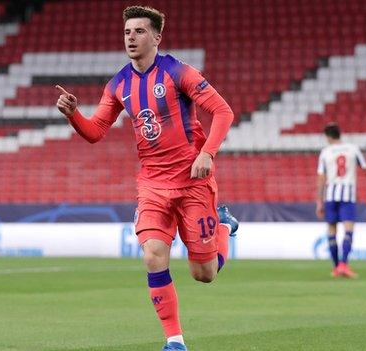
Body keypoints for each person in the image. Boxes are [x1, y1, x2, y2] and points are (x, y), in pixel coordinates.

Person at [55, 6, 237, 351]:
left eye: (139, 31)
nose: (131, 38)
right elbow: (95, 132)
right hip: (152, 185)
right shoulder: (119, 83)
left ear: (156, 37)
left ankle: (224, 226)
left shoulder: (177, 72)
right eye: (127, 32)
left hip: (192, 181)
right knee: (153, 255)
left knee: (205, 274)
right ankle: (174, 340)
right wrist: (74, 115)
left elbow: (223, 111)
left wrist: (207, 153)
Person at [316, 123, 366, 278]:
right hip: (348, 195)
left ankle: (336, 267)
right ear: (340, 134)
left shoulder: (325, 152)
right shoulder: (353, 149)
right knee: (348, 230)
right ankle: (343, 265)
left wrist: (319, 201)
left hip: (330, 196)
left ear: (327, 136)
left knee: (332, 231)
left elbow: (321, 177)